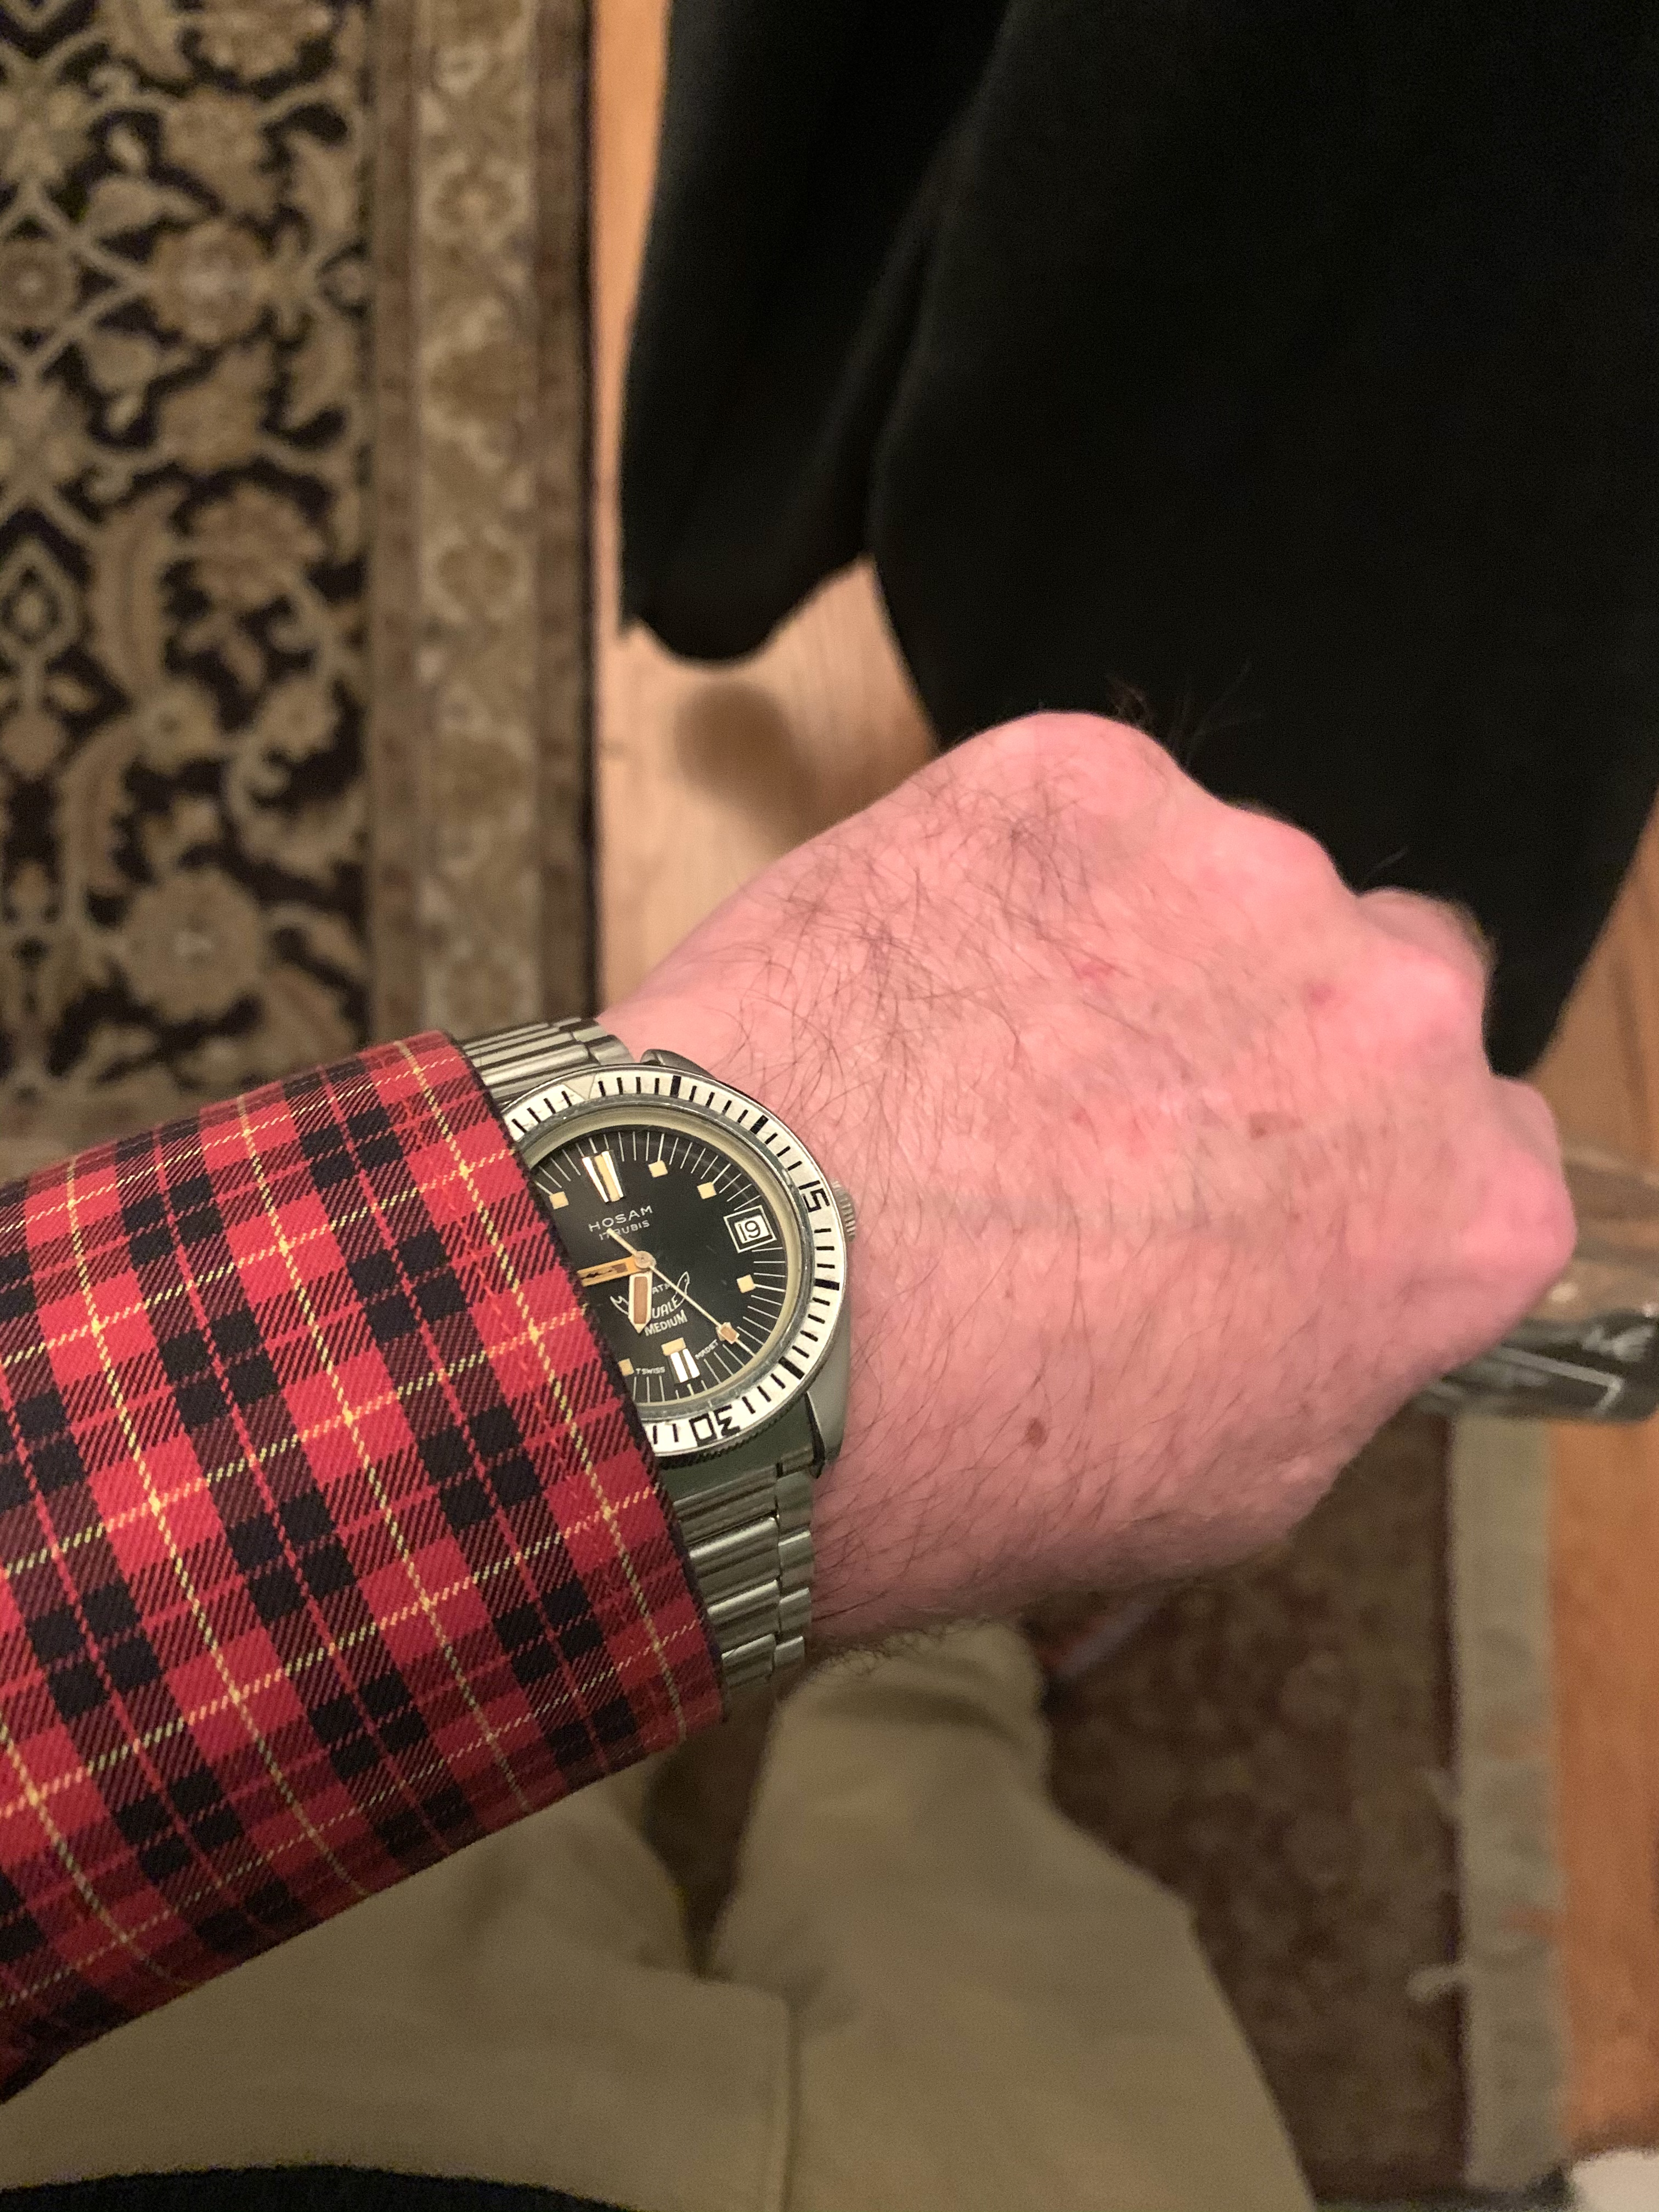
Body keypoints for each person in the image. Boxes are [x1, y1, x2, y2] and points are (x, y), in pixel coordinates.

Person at [0, 713, 1573, 2211]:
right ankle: (937, 1658)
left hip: (195, 2074)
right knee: (948, 1846)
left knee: (484, 1813)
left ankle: (867, 1619)